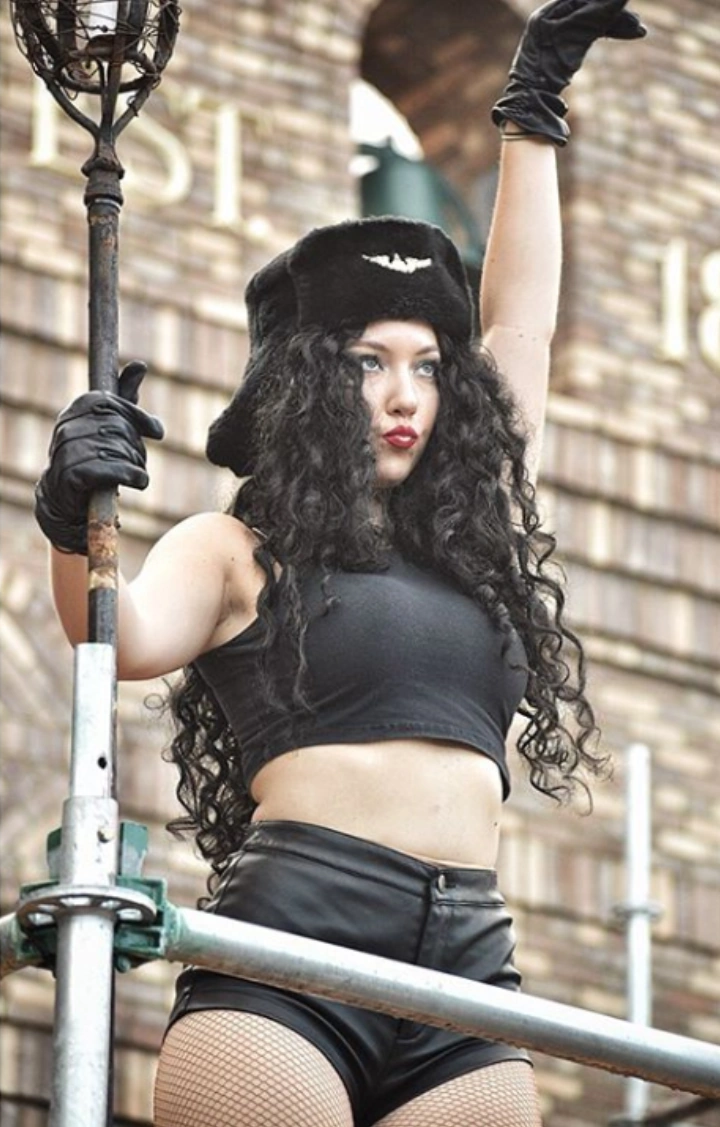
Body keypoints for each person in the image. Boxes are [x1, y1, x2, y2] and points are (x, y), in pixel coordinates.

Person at [35, 2, 646, 1124]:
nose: (407, 392)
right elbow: (112, 633)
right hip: (291, 961)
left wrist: (530, 115)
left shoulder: (478, 536)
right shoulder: (234, 549)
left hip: (469, 968)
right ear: (312, 384)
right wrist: (71, 516)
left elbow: (522, 324)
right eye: (369, 361)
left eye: (429, 364)